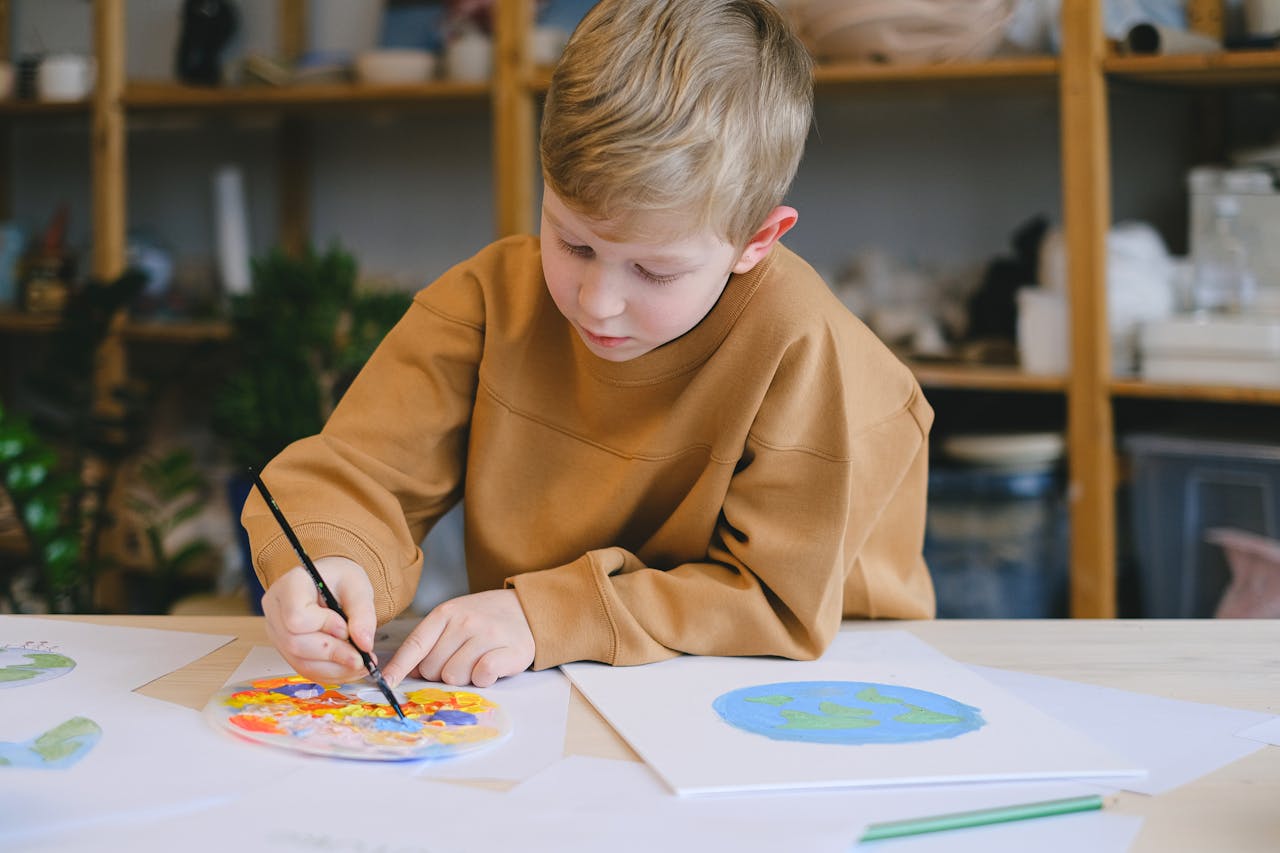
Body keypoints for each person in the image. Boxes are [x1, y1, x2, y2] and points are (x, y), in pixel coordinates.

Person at [242, 0, 935, 691]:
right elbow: (362, 475)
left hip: (815, 689)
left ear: (757, 241)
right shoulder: (488, 303)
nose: (596, 301)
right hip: (563, 678)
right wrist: (332, 558)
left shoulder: (809, 353)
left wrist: (549, 615)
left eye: (654, 269)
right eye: (573, 241)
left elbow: (773, 603)